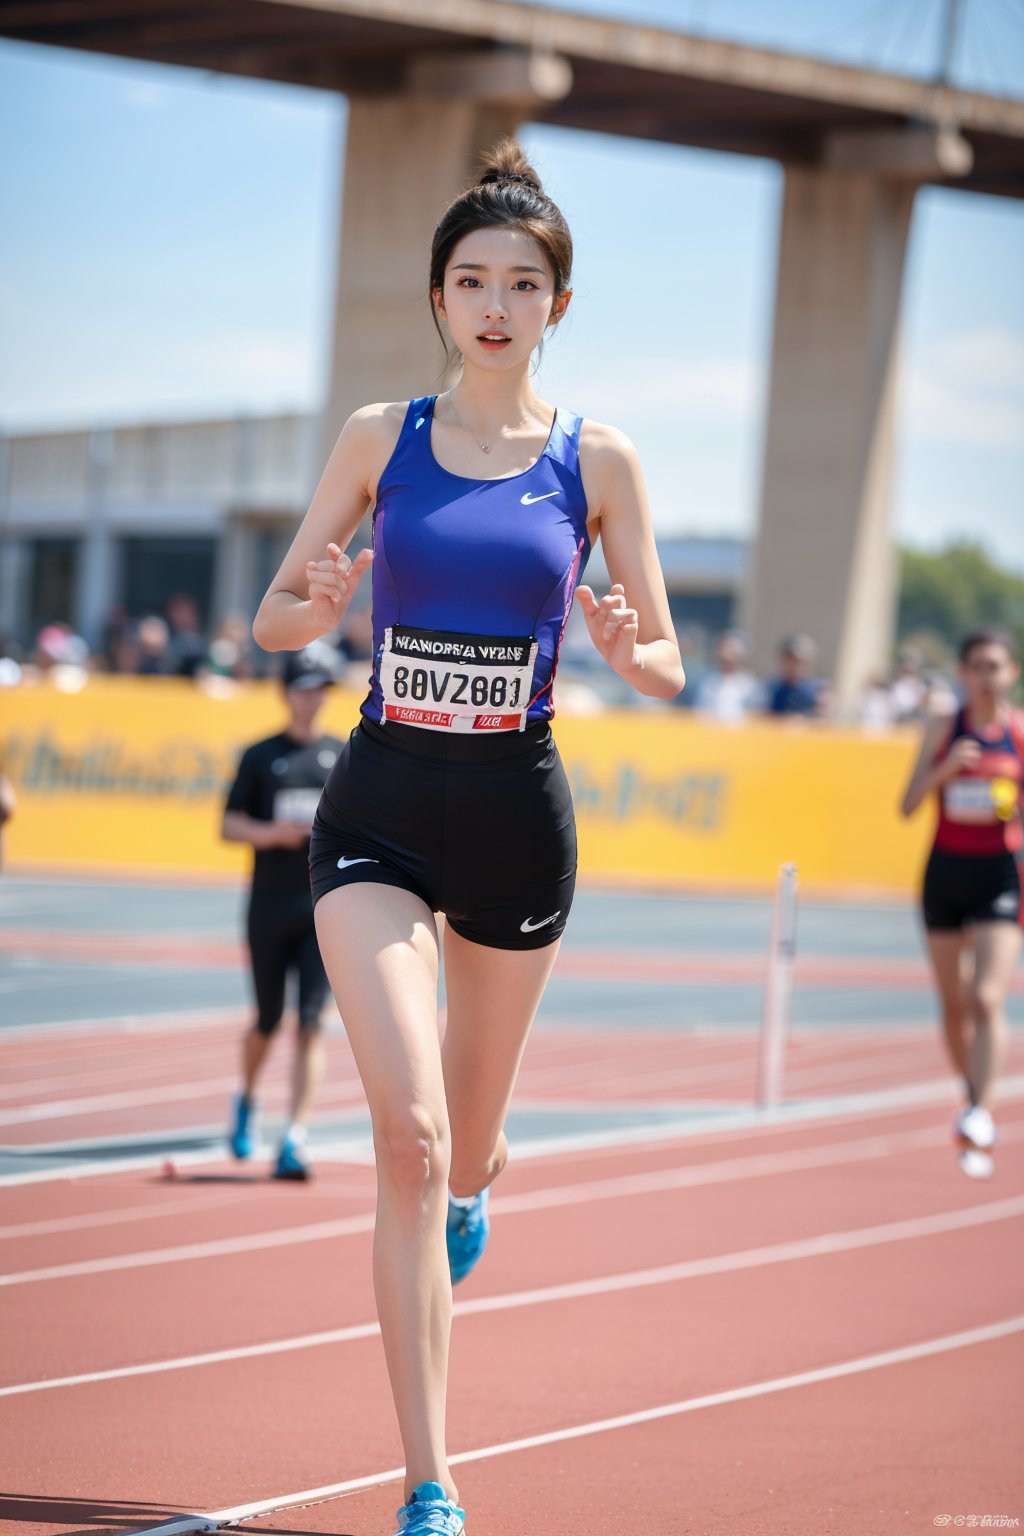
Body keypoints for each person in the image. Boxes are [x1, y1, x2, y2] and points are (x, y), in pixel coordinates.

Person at [251, 139, 684, 1536]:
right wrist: (311, 603)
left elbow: (669, 661)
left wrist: (628, 644)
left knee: (474, 1146)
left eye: (522, 283)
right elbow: (273, 617)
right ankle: (430, 1478)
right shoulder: (379, 437)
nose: (495, 304)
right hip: (376, 808)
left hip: (515, 818)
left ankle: (481, 1180)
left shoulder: (598, 457)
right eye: (470, 281)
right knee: (407, 1139)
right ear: (438, 298)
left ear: (557, 302)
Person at [900, 629, 1023, 1180]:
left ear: (1011, 673)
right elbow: (906, 806)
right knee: (953, 1005)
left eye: (995, 667)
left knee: (987, 996)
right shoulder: (942, 729)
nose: (986, 677)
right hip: (945, 872)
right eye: (976, 667)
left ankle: (981, 1111)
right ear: (962, 673)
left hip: (999, 874)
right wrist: (947, 769)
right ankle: (972, 1098)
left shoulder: (1019, 734)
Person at [221, 643, 345, 1180]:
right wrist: (272, 834)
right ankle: (248, 1097)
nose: (312, 700)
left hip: (324, 909)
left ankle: (296, 1134)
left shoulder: (343, 755)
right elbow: (227, 825)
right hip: (269, 905)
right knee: (268, 1020)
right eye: (303, 689)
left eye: (320, 690)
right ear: (285, 693)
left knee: (312, 1023)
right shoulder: (259, 755)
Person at [693, 628, 762, 722]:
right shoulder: (706, 679)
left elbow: (755, 715)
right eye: (724, 647)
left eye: (731, 647)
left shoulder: (750, 684)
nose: (726, 651)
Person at [764, 632, 824, 717]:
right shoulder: (771, 687)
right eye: (789, 659)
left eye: (798, 660)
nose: (793, 664)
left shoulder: (818, 691)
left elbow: (823, 720)